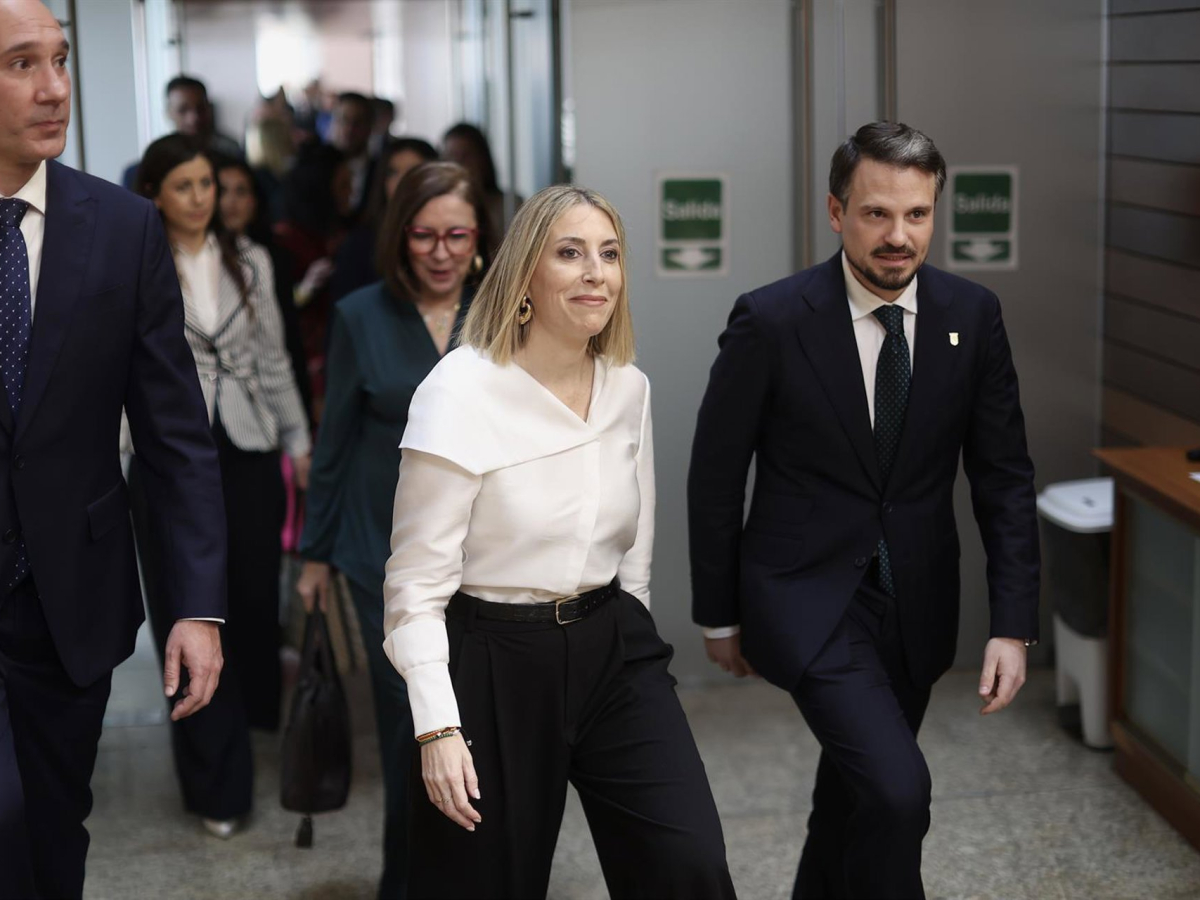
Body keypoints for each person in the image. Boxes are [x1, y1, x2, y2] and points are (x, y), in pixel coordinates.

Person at [688, 121, 1040, 899]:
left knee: (853, 799)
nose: (898, 235)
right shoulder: (772, 320)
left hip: (916, 602)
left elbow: (1004, 479)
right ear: (836, 211)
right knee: (898, 790)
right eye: (876, 213)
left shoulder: (972, 315)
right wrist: (719, 615)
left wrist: (1012, 622)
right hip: (806, 599)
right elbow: (716, 476)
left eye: (917, 214)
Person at [382, 184, 737, 899]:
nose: (595, 273)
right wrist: (437, 728)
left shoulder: (627, 387)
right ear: (524, 275)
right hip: (493, 659)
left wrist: (633, 635)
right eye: (570, 253)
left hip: (612, 649)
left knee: (687, 864)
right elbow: (414, 586)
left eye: (609, 254)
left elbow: (636, 546)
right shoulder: (460, 391)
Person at [0, 4, 226, 897]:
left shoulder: (123, 228)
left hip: (66, 604)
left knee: (53, 828)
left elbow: (176, 437)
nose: (55, 87)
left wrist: (197, 606)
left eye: (59, 60)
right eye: (22, 64)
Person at [296, 161, 491, 899]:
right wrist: (315, 556)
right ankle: (406, 882)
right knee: (414, 725)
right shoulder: (360, 315)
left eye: (456, 236)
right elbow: (335, 443)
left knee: (480, 727)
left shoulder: (505, 312)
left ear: (479, 237)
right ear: (399, 236)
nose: (441, 253)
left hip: (484, 559)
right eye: (423, 236)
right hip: (380, 555)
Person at [131, 134, 312, 837]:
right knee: (187, 609)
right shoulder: (138, 260)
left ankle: (250, 729)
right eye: (184, 185)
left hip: (247, 443)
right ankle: (215, 783)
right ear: (154, 195)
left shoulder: (252, 261)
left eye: (207, 183)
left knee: (248, 600)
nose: (201, 197)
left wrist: (298, 440)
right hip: (167, 453)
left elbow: (275, 359)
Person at [216, 156, 312, 423]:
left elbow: (286, 340)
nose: (231, 202)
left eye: (241, 191)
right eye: (223, 191)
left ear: (254, 201)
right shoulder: (190, 260)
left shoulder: (270, 259)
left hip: (261, 405)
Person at [273, 141, 353, 418]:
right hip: (303, 370)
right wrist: (306, 289)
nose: (351, 193)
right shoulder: (286, 240)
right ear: (321, 189)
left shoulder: (347, 234)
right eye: (343, 185)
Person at [329, 137, 439, 303]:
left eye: (413, 172)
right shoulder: (360, 244)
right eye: (392, 173)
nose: (401, 181)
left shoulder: (453, 239)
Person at [121, 75, 242, 190]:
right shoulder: (141, 172)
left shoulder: (231, 157)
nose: (193, 118)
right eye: (183, 110)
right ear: (169, 113)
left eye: (200, 108)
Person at [441, 122, 518, 253]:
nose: (458, 163)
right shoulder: (437, 207)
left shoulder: (509, 205)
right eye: (451, 155)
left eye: (466, 155)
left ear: (482, 159)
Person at [330, 91, 376, 218]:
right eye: (343, 120)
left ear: (370, 127)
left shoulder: (380, 171)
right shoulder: (317, 168)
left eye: (357, 122)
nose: (349, 129)